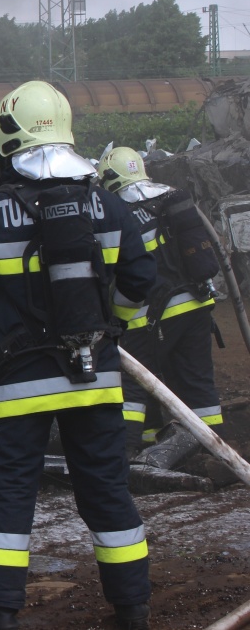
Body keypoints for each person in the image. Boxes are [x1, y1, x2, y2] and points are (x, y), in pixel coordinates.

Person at [0, 81, 157, 630]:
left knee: (9, 495)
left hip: (18, 384)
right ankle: (132, 607)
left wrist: (10, 302)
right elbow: (140, 280)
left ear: (8, 140)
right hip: (95, 377)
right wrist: (111, 327)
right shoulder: (107, 205)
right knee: (107, 490)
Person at [97, 146, 223, 454]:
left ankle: (127, 454)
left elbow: (113, 272)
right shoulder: (170, 198)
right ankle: (211, 453)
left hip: (147, 317)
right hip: (196, 307)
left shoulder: (118, 215)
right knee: (196, 381)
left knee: (134, 385)